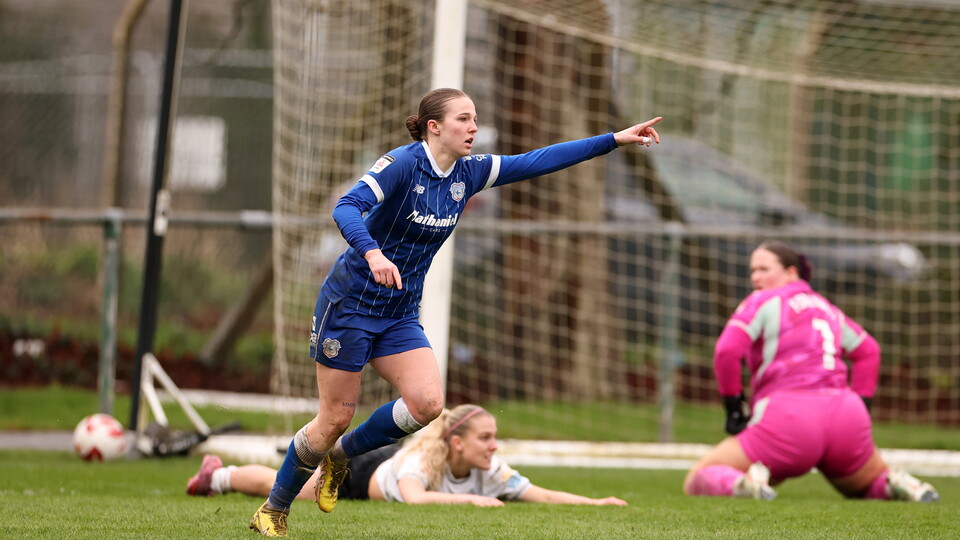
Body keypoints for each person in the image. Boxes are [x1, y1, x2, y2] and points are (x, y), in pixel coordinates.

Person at [249, 87, 660, 536]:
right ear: (434, 127)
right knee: (333, 419)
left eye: (475, 119)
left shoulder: (469, 174)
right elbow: (346, 207)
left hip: (399, 312)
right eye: (464, 119)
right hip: (349, 306)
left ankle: (341, 458)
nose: (474, 128)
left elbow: (541, 159)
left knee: (428, 404)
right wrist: (372, 253)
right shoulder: (403, 164)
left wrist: (615, 139)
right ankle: (274, 508)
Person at [683, 241, 940, 503]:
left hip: (789, 418)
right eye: (752, 270)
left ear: (791, 272)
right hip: (845, 416)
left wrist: (733, 405)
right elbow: (869, 351)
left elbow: (726, 351)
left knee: (700, 476)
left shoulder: (762, 300)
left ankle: (743, 483)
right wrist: (861, 404)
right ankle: (894, 483)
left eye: (764, 269)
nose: (756, 277)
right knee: (863, 485)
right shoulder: (825, 306)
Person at [191, 405, 627, 507]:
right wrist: (473, 501)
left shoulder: (490, 469)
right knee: (289, 488)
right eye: (486, 438)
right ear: (457, 443)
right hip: (363, 472)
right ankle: (219, 476)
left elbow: (539, 494)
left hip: (383, 463)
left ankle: (220, 477)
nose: (494, 447)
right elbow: (414, 497)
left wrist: (595, 504)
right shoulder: (425, 459)